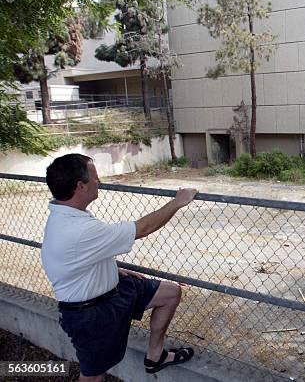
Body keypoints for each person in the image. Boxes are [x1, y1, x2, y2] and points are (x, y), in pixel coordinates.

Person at [41, 153, 198, 381]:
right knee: (94, 376)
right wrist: (177, 202)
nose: (99, 182)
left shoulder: (65, 215)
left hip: (114, 288)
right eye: (95, 178)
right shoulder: (76, 228)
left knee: (171, 293)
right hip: (90, 313)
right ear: (80, 186)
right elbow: (142, 229)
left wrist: (111, 270)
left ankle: (155, 356)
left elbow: (76, 258)